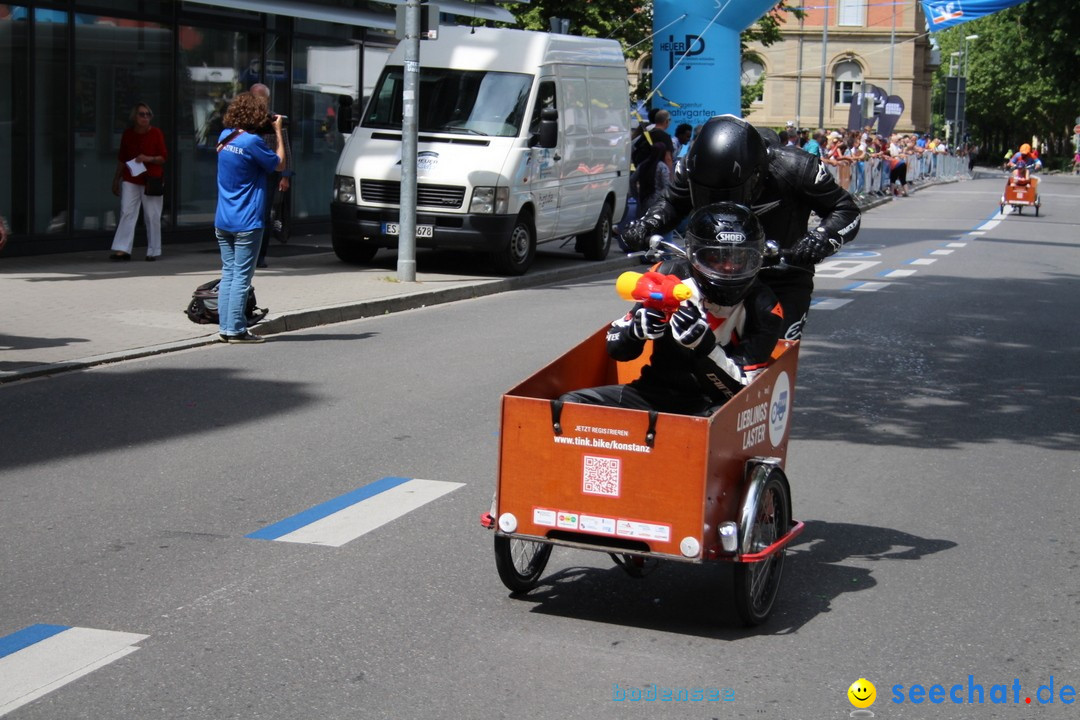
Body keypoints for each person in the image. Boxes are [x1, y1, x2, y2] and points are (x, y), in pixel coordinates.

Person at [619, 114, 861, 341]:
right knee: (666, 332)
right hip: (708, 273)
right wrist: (648, 224)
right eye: (708, 192)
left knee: (778, 350)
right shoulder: (690, 167)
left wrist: (821, 239)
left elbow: (845, 209)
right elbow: (672, 202)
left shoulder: (797, 167)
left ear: (756, 173)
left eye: (727, 191)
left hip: (781, 274)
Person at [560, 202, 784, 416]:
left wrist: (705, 347)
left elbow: (741, 392)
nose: (727, 267)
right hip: (653, 393)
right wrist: (636, 331)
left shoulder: (765, 307)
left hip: (713, 404)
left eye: (739, 258)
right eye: (716, 257)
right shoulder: (669, 274)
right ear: (695, 254)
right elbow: (616, 349)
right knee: (571, 404)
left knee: (709, 425)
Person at [214, 92, 285, 343]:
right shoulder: (252, 143)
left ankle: (225, 327)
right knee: (242, 277)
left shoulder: (225, 137)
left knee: (229, 274)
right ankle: (236, 330)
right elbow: (278, 164)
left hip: (223, 220)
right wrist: (277, 131)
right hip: (247, 220)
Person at [109, 102, 167, 261]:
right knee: (127, 211)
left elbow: (163, 157)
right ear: (135, 116)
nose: (145, 117)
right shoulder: (128, 134)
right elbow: (122, 158)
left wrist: (148, 158)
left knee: (152, 215)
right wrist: (116, 179)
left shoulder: (156, 133)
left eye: (148, 114)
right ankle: (122, 249)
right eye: (142, 114)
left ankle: (153, 250)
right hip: (131, 177)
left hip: (151, 178)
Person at [250, 83, 294, 268]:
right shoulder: (245, 118)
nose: (257, 100)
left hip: (269, 173)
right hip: (248, 171)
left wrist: (285, 175)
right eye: (254, 96)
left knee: (264, 213)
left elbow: (285, 146)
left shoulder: (274, 119)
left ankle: (260, 255)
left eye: (261, 97)